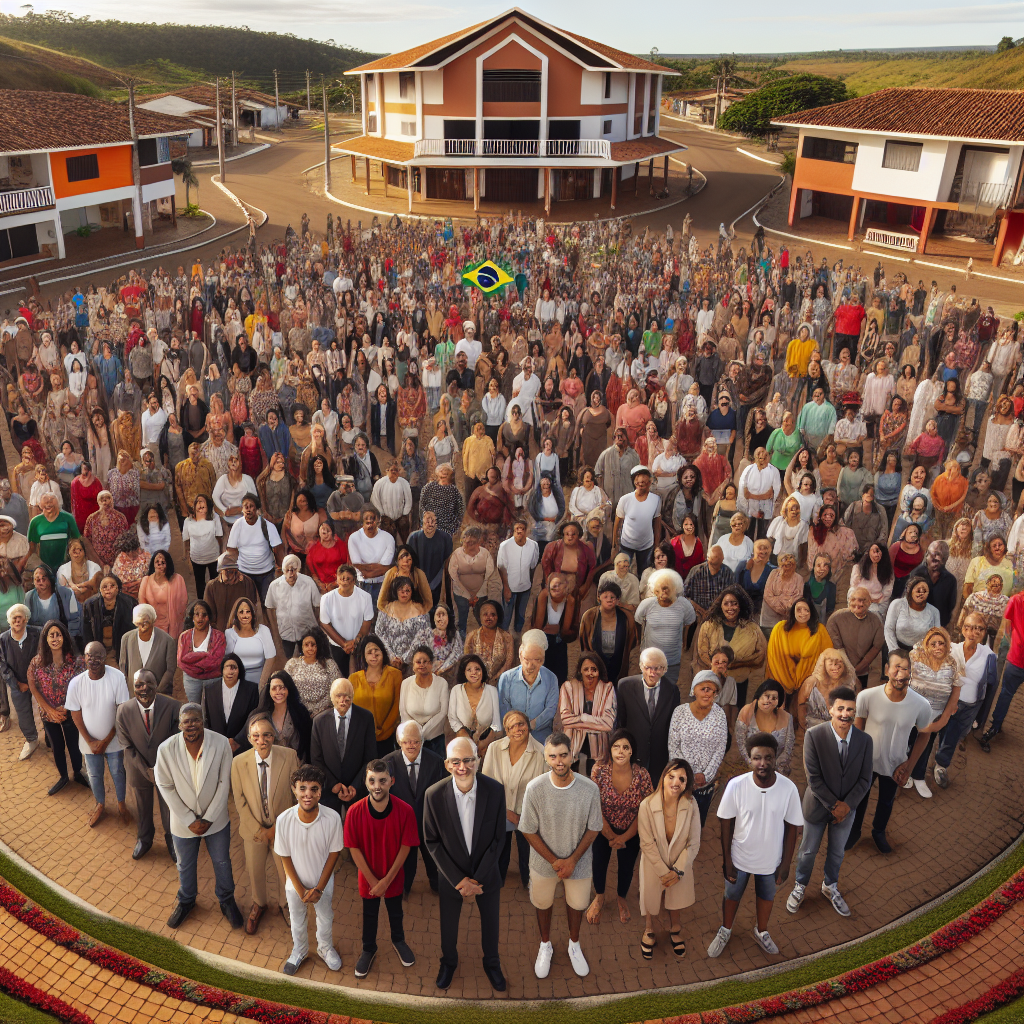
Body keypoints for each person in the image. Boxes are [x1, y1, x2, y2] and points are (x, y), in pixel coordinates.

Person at [423, 735, 509, 992]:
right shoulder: (433, 795)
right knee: (448, 925)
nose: (462, 767)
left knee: (491, 923)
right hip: (451, 876)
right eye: (456, 761)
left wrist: (477, 879)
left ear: (478, 760)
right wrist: (459, 880)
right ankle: (448, 962)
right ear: (447, 764)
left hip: (487, 874)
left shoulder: (495, 790)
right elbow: (432, 841)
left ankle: (492, 963)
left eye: (468, 760)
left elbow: (498, 839)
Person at [707, 732, 803, 959]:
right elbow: (726, 824)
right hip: (739, 858)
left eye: (768, 757)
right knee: (731, 896)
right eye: (757, 758)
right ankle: (725, 930)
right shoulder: (736, 785)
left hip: (771, 861)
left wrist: (786, 865)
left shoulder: (788, 788)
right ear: (749, 759)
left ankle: (761, 931)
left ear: (775, 758)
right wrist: (727, 861)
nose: (763, 763)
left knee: (766, 898)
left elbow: (792, 828)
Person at [519, 731, 603, 979]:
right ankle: (545, 944)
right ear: (546, 758)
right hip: (544, 865)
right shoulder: (534, 788)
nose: (559, 761)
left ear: (572, 756)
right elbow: (528, 829)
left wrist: (572, 861)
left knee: (576, 906)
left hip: (579, 864)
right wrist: (556, 861)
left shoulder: (590, 789)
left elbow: (594, 828)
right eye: (553, 756)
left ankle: (574, 945)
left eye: (563, 755)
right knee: (542, 904)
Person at [154, 702, 244, 929]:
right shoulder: (165, 749)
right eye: (186, 721)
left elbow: (224, 783)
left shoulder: (221, 743)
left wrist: (209, 817)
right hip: (183, 823)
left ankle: (226, 899)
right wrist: (188, 819)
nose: (191, 725)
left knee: (222, 861)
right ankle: (186, 900)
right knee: (184, 864)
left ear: (203, 721)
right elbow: (164, 785)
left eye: (196, 720)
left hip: (216, 821)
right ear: (179, 724)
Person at [786, 686, 873, 918]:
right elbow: (813, 778)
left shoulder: (865, 741)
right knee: (807, 852)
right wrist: (836, 806)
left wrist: (847, 807)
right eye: (840, 709)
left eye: (850, 710)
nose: (845, 714)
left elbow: (865, 779)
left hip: (847, 811)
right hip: (817, 808)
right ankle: (800, 886)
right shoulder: (814, 735)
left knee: (837, 853)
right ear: (830, 709)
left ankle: (830, 885)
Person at [848, 651, 936, 853]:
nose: (900, 674)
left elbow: (924, 735)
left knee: (887, 801)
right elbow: (858, 729)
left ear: (911, 673)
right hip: (867, 761)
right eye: (896, 668)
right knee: (859, 798)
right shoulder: (867, 696)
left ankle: (878, 832)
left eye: (906, 669)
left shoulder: (921, 705)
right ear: (887, 669)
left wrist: (909, 765)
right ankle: (854, 831)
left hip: (896, 763)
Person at [343, 759, 419, 978]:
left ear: (392, 781)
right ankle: (368, 948)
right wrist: (373, 881)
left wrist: (386, 881)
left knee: (396, 911)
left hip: (393, 874)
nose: (377, 786)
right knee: (369, 914)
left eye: (383, 780)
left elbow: (406, 846)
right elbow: (353, 848)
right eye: (372, 781)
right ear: (365, 782)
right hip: (368, 876)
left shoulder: (406, 811)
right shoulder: (354, 812)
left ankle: (398, 940)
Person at [230, 713, 299, 935]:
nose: (262, 740)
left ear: (274, 736)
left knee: (285, 872)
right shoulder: (238, 762)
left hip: (282, 829)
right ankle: (259, 903)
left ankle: (285, 904)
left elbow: (296, 797)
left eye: (267, 735)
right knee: (255, 870)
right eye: (256, 736)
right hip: (254, 831)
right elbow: (239, 800)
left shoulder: (289, 756)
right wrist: (259, 830)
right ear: (249, 738)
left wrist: (276, 828)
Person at [274, 764, 345, 974]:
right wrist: (300, 889)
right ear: (294, 790)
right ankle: (300, 950)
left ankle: (325, 948)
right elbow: (285, 856)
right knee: (297, 919)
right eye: (302, 788)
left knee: (325, 917)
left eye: (314, 789)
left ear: (321, 792)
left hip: (323, 883)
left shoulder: (332, 818)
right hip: (295, 884)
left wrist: (319, 888)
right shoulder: (283, 820)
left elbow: (334, 854)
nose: (308, 794)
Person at [586, 728, 652, 928]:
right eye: (616, 747)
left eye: (625, 747)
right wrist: (609, 834)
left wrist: (624, 837)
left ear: (632, 751)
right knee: (599, 862)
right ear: (610, 750)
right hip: (602, 827)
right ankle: (599, 897)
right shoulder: (599, 771)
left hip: (632, 830)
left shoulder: (642, 775)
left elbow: (646, 809)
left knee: (627, 866)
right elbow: (593, 805)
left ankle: (621, 898)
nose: (620, 751)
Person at [636, 758, 701, 960]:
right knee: (650, 896)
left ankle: (675, 928)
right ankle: (649, 929)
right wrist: (664, 873)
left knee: (676, 896)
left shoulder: (691, 805)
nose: (675, 782)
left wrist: (678, 870)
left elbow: (694, 842)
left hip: (680, 862)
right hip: (653, 863)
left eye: (681, 779)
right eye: (671, 776)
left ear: (686, 784)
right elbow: (646, 843)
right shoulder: (647, 805)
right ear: (663, 777)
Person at [66, 641, 131, 828]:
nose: (93, 661)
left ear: (105, 658)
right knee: (94, 775)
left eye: (98, 657)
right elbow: (75, 714)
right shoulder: (76, 683)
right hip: (89, 742)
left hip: (114, 739)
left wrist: (106, 741)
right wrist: (91, 741)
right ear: (84, 658)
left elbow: (121, 712)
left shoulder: (117, 677)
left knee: (118, 772)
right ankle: (100, 805)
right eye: (89, 656)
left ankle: (121, 804)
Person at [384, 720, 447, 895]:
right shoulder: (387, 763)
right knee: (405, 861)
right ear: (399, 742)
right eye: (406, 741)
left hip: (428, 823)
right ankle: (404, 888)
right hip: (401, 824)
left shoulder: (436, 761)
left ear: (422, 741)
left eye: (416, 741)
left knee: (432, 859)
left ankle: (436, 885)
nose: (411, 745)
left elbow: (442, 794)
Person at [27, 619, 88, 795]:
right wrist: (49, 710)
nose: (55, 638)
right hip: (48, 714)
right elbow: (33, 686)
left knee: (74, 744)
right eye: (51, 635)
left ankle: (78, 773)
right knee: (57, 746)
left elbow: (82, 685)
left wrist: (67, 707)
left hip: (70, 712)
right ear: (45, 639)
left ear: (64, 637)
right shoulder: (36, 663)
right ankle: (63, 777)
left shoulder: (76, 661)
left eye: (58, 635)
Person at [933, 614, 995, 787]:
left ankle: (940, 764)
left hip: (969, 706)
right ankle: (934, 760)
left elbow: (991, 688)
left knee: (953, 736)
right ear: (962, 629)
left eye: (979, 629)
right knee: (941, 732)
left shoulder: (989, 656)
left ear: (984, 632)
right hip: (946, 701)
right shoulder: (951, 649)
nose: (973, 632)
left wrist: (981, 718)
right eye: (969, 627)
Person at [309, 677, 377, 816]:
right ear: (331, 697)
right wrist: (333, 784)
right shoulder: (319, 721)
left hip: (358, 792)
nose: (343, 700)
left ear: (353, 696)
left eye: (347, 696)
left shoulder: (366, 718)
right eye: (338, 696)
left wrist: (355, 786)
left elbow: (370, 758)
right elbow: (316, 759)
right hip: (329, 792)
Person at [616, 647, 680, 788]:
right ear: (641, 666)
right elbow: (620, 722)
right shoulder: (624, 686)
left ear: (664, 669)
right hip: (633, 753)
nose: (652, 672)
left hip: (659, 756)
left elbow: (673, 726)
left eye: (657, 668)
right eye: (648, 667)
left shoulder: (672, 690)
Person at [634, 569, 696, 688]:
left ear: (675, 589)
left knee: (669, 690)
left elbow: (689, 624)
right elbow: (637, 621)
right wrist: (639, 642)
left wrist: (684, 644)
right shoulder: (647, 604)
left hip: (672, 660)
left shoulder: (684, 605)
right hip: (650, 660)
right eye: (659, 589)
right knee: (649, 688)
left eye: (666, 589)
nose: (663, 593)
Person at [497, 629, 559, 744]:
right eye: (526, 659)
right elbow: (504, 709)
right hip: (513, 735)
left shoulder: (551, 679)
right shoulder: (506, 679)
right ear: (520, 655)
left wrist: (530, 726)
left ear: (543, 659)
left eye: (537, 660)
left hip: (541, 737)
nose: (530, 666)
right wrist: (517, 728)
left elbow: (550, 710)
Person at [766, 598, 833, 701]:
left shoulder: (820, 630)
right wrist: (785, 681)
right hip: (782, 679)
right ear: (793, 612)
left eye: (806, 610)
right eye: (799, 610)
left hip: (811, 683)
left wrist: (813, 679)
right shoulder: (780, 628)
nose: (803, 613)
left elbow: (828, 656)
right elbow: (774, 658)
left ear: (811, 612)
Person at [0, 604, 42, 760]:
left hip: (38, 681)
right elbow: (2, 665)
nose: (17, 621)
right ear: (9, 621)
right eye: (14, 618)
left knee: (46, 708)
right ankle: (31, 740)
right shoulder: (2, 639)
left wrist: (34, 681)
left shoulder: (38, 633)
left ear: (26, 619)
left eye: (20, 617)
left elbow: (43, 657)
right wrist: (17, 683)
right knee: (23, 713)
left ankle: (52, 740)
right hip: (17, 683)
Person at [225, 494, 284, 604]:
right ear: (242, 509)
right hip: (244, 572)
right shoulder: (238, 525)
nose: (248, 510)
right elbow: (231, 549)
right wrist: (233, 570)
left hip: (266, 572)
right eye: (245, 506)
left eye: (251, 506)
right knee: (247, 604)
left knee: (268, 604)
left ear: (257, 509)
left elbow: (278, 549)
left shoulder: (268, 526)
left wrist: (281, 570)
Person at [318, 564, 374, 675]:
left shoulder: (365, 597)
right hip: (336, 646)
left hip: (358, 645)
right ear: (337, 579)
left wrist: (356, 642)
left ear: (354, 580)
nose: (345, 581)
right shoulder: (326, 598)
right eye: (342, 578)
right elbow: (325, 624)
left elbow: (367, 621)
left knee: (359, 676)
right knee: (339, 677)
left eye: (348, 579)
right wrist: (343, 644)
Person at [827, 587, 886, 690]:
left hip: (865, 670)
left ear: (870, 602)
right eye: (854, 599)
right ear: (848, 601)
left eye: (863, 600)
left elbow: (877, 647)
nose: (858, 603)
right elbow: (837, 646)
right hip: (840, 669)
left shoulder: (876, 621)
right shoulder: (836, 618)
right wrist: (849, 669)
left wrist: (858, 669)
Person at [265, 554, 322, 659]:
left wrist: (315, 625)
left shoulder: (308, 582)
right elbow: (270, 607)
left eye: (294, 570)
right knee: (289, 661)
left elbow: (317, 606)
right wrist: (275, 630)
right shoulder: (275, 585)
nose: (291, 574)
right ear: (283, 570)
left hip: (307, 632)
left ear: (298, 569)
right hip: (285, 632)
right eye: (287, 570)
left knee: (308, 659)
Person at [735, 679, 796, 776]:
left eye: (774, 698)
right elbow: (741, 742)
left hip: (778, 770)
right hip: (750, 769)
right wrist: (752, 764)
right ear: (758, 696)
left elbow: (788, 748)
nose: (769, 701)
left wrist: (774, 767)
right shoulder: (747, 712)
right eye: (766, 696)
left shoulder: (787, 718)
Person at [119, 603, 176, 696]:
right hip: (133, 695)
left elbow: (170, 670)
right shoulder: (126, 638)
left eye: (146, 622)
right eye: (139, 623)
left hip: (159, 695)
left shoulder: (167, 641)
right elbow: (123, 667)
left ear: (153, 620)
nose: (142, 626)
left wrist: (157, 691)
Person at [348, 507, 396, 606]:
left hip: (383, 584)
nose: (370, 525)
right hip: (361, 584)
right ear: (362, 523)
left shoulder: (388, 538)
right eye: (367, 522)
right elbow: (357, 565)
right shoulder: (354, 538)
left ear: (378, 521)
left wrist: (369, 574)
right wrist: (377, 568)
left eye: (372, 521)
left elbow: (385, 567)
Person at [202, 552, 260, 633]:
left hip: (241, 631)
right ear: (220, 571)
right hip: (220, 633)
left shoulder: (247, 583)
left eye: (233, 571)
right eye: (227, 571)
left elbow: (252, 609)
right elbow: (209, 614)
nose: (231, 575)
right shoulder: (212, 586)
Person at [907, 540, 958, 628]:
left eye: (940, 559)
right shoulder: (916, 574)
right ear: (927, 555)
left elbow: (951, 605)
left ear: (945, 560)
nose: (936, 562)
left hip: (938, 625)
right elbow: (908, 599)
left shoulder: (950, 580)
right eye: (933, 557)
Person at [407, 510, 452, 609]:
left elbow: (447, 562)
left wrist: (437, 583)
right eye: (428, 520)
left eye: (433, 521)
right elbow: (409, 562)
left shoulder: (445, 538)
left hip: (438, 583)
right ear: (422, 521)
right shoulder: (413, 538)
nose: (430, 524)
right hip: (417, 582)